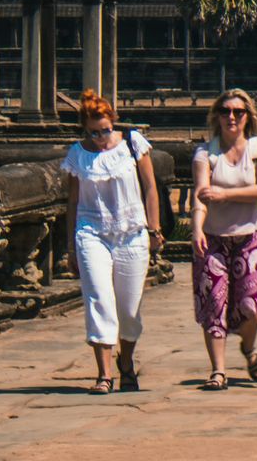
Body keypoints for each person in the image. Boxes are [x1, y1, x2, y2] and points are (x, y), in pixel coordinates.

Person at [61, 90, 162, 394]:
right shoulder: (78, 154)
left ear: (113, 122)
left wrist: (154, 228)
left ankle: (126, 362)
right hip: (91, 233)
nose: (101, 137)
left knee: (129, 309)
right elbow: (73, 201)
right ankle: (104, 374)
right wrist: (70, 247)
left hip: (131, 232)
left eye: (105, 130)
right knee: (99, 300)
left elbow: (150, 188)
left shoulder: (133, 144)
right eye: (94, 132)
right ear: (84, 129)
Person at [190, 89, 257, 389]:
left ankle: (248, 348)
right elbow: (201, 194)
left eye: (238, 112)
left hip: (252, 235)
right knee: (213, 301)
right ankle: (218, 370)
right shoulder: (206, 153)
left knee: (248, 305)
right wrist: (196, 227)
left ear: (247, 117)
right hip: (214, 236)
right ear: (216, 115)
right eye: (225, 111)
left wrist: (225, 194)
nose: (231, 117)